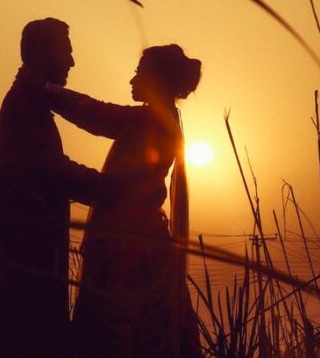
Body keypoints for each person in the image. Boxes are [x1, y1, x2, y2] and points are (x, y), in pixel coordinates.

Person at [44, 44, 203, 358]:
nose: (132, 79)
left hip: (125, 243)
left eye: (139, 72)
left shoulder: (151, 118)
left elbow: (99, 115)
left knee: (116, 331)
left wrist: (49, 92)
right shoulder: (163, 118)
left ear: (156, 79)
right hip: (142, 237)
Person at [0, 18, 123, 358]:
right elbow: (54, 171)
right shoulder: (25, 105)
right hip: (31, 259)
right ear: (39, 51)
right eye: (66, 52)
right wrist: (113, 189)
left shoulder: (31, 100)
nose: (73, 62)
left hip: (32, 257)